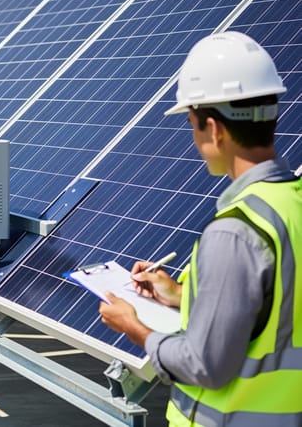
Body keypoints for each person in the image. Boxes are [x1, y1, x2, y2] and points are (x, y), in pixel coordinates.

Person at [98, 31, 301, 426]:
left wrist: (135, 328)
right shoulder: (291, 203)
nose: (193, 139)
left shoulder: (235, 232)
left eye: (192, 125)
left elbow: (205, 365)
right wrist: (180, 294)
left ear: (215, 130)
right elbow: (276, 302)